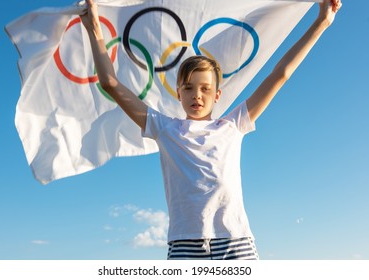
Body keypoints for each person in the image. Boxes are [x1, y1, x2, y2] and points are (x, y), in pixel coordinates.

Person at [81, 0, 342, 259]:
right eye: (189, 88)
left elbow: (281, 74)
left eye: (205, 89)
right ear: (179, 93)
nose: (197, 95)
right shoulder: (164, 128)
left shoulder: (233, 124)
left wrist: (321, 22)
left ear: (217, 95)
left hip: (235, 243)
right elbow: (111, 83)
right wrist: (94, 27)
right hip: (185, 245)